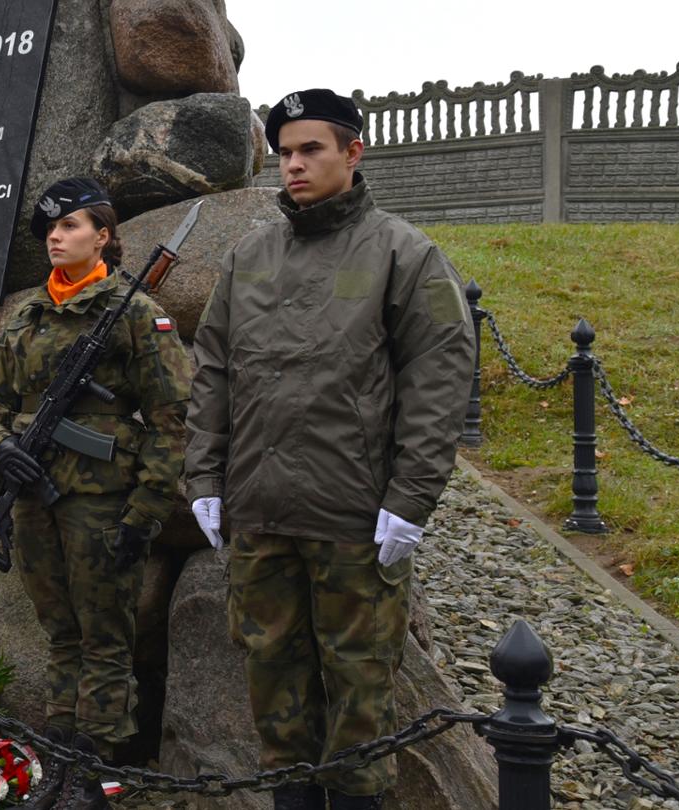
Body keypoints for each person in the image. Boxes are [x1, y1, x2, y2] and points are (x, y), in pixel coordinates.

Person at [185, 89, 475, 810]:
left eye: (311, 149)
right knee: (274, 696)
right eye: (284, 152)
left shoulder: (405, 254)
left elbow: (439, 380)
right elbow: (213, 371)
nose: (294, 164)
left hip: (353, 518)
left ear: (353, 152)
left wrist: (410, 498)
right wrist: (205, 477)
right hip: (261, 513)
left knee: (359, 699)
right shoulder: (250, 256)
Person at [0, 178, 192, 806]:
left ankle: (93, 773)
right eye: (50, 229)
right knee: (62, 634)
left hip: (101, 503)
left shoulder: (135, 312)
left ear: (103, 236)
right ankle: (59, 763)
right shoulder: (29, 314)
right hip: (34, 498)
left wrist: (145, 511)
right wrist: (1, 446)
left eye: (69, 225)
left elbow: (170, 420)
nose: (56, 237)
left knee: (104, 639)